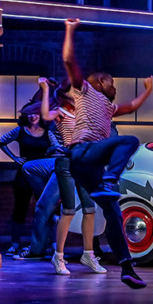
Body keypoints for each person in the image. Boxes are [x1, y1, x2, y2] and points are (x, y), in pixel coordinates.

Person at [59, 18, 153, 289]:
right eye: (112, 83)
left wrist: (147, 92)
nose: (115, 88)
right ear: (100, 82)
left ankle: (126, 267)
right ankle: (110, 180)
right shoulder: (86, 90)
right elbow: (69, 61)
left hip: (89, 166)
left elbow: (132, 106)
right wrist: (69, 29)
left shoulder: (109, 107)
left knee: (113, 211)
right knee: (130, 140)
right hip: (83, 152)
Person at [39, 78, 103, 277]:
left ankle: (88, 254)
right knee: (68, 211)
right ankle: (58, 256)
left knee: (90, 209)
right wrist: (45, 90)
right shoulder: (60, 112)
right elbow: (44, 116)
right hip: (66, 163)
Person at [0, 103, 60, 256]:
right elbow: (1, 141)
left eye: (36, 113)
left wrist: (52, 160)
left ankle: (53, 244)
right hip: (24, 174)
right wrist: (14, 158)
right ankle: (14, 245)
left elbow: (57, 148)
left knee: (48, 208)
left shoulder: (47, 133)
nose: (33, 116)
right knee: (20, 208)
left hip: (42, 175)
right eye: (29, 113)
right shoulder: (20, 130)